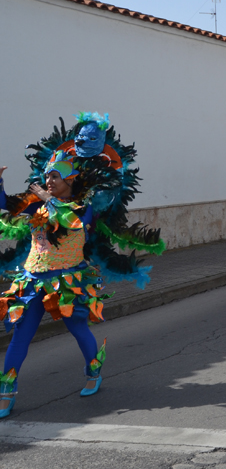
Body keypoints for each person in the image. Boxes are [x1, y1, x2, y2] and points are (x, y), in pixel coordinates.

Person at [0, 113, 164, 419]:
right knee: (21, 334)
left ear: (71, 179)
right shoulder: (36, 203)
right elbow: (5, 206)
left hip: (67, 282)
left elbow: (69, 221)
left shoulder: (83, 208)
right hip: (32, 279)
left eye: (55, 177)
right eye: (47, 176)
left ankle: (93, 370)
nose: (48, 181)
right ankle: (6, 390)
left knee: (77, 328)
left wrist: (46, 197)